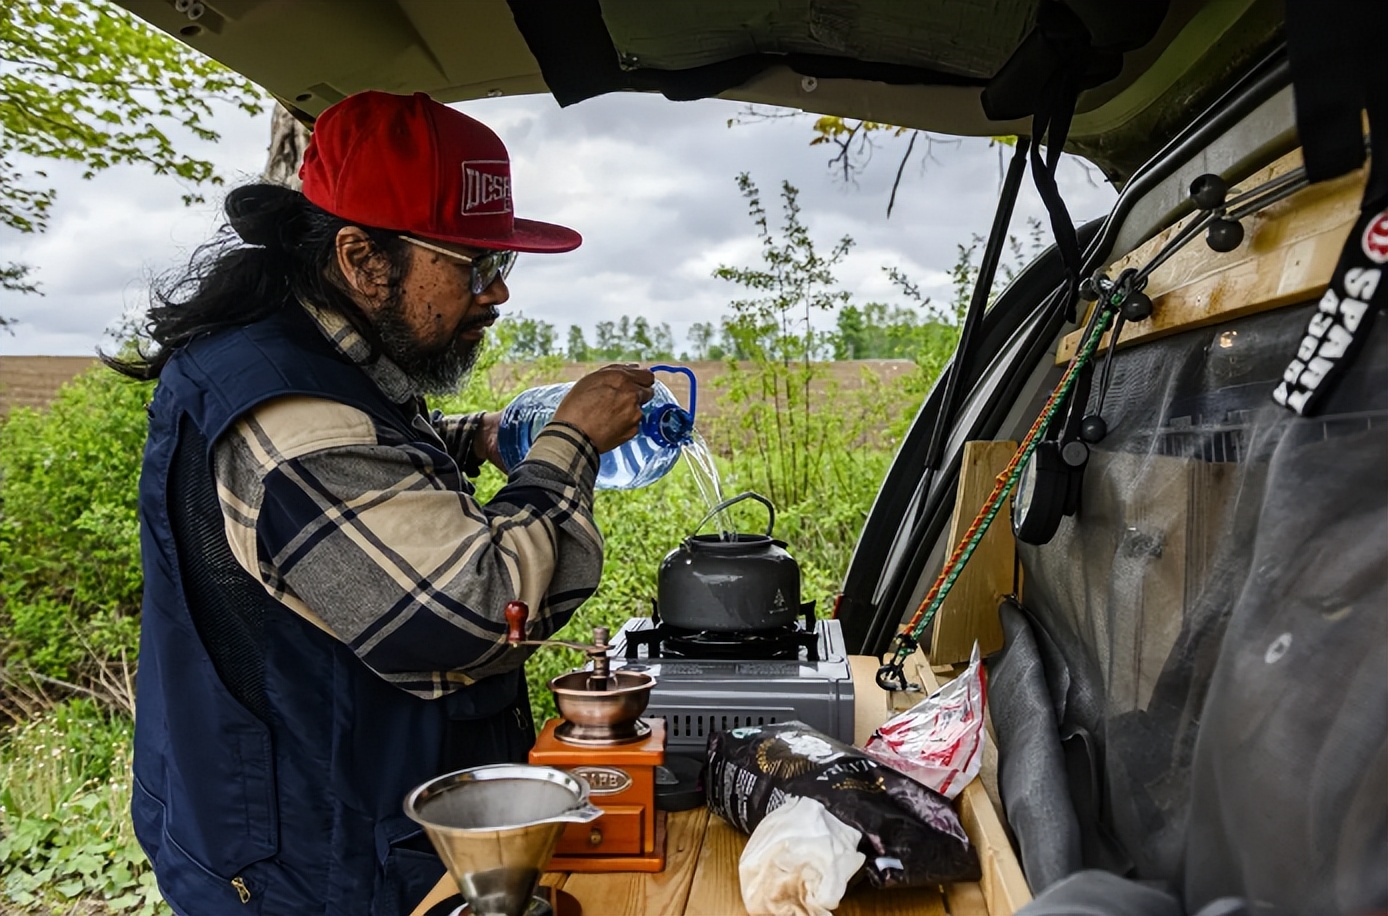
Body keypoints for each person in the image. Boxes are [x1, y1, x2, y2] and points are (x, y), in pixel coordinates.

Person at [105, 90, 655, 915]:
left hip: (352, 826)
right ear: (363, 259)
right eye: (475, 264)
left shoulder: (317, 345)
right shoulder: (282, 413)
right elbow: (473, 612)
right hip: (311, 870)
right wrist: (568, 441)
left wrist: (477, 437)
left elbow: (374, 442)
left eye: (504, 263)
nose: (497, 293)